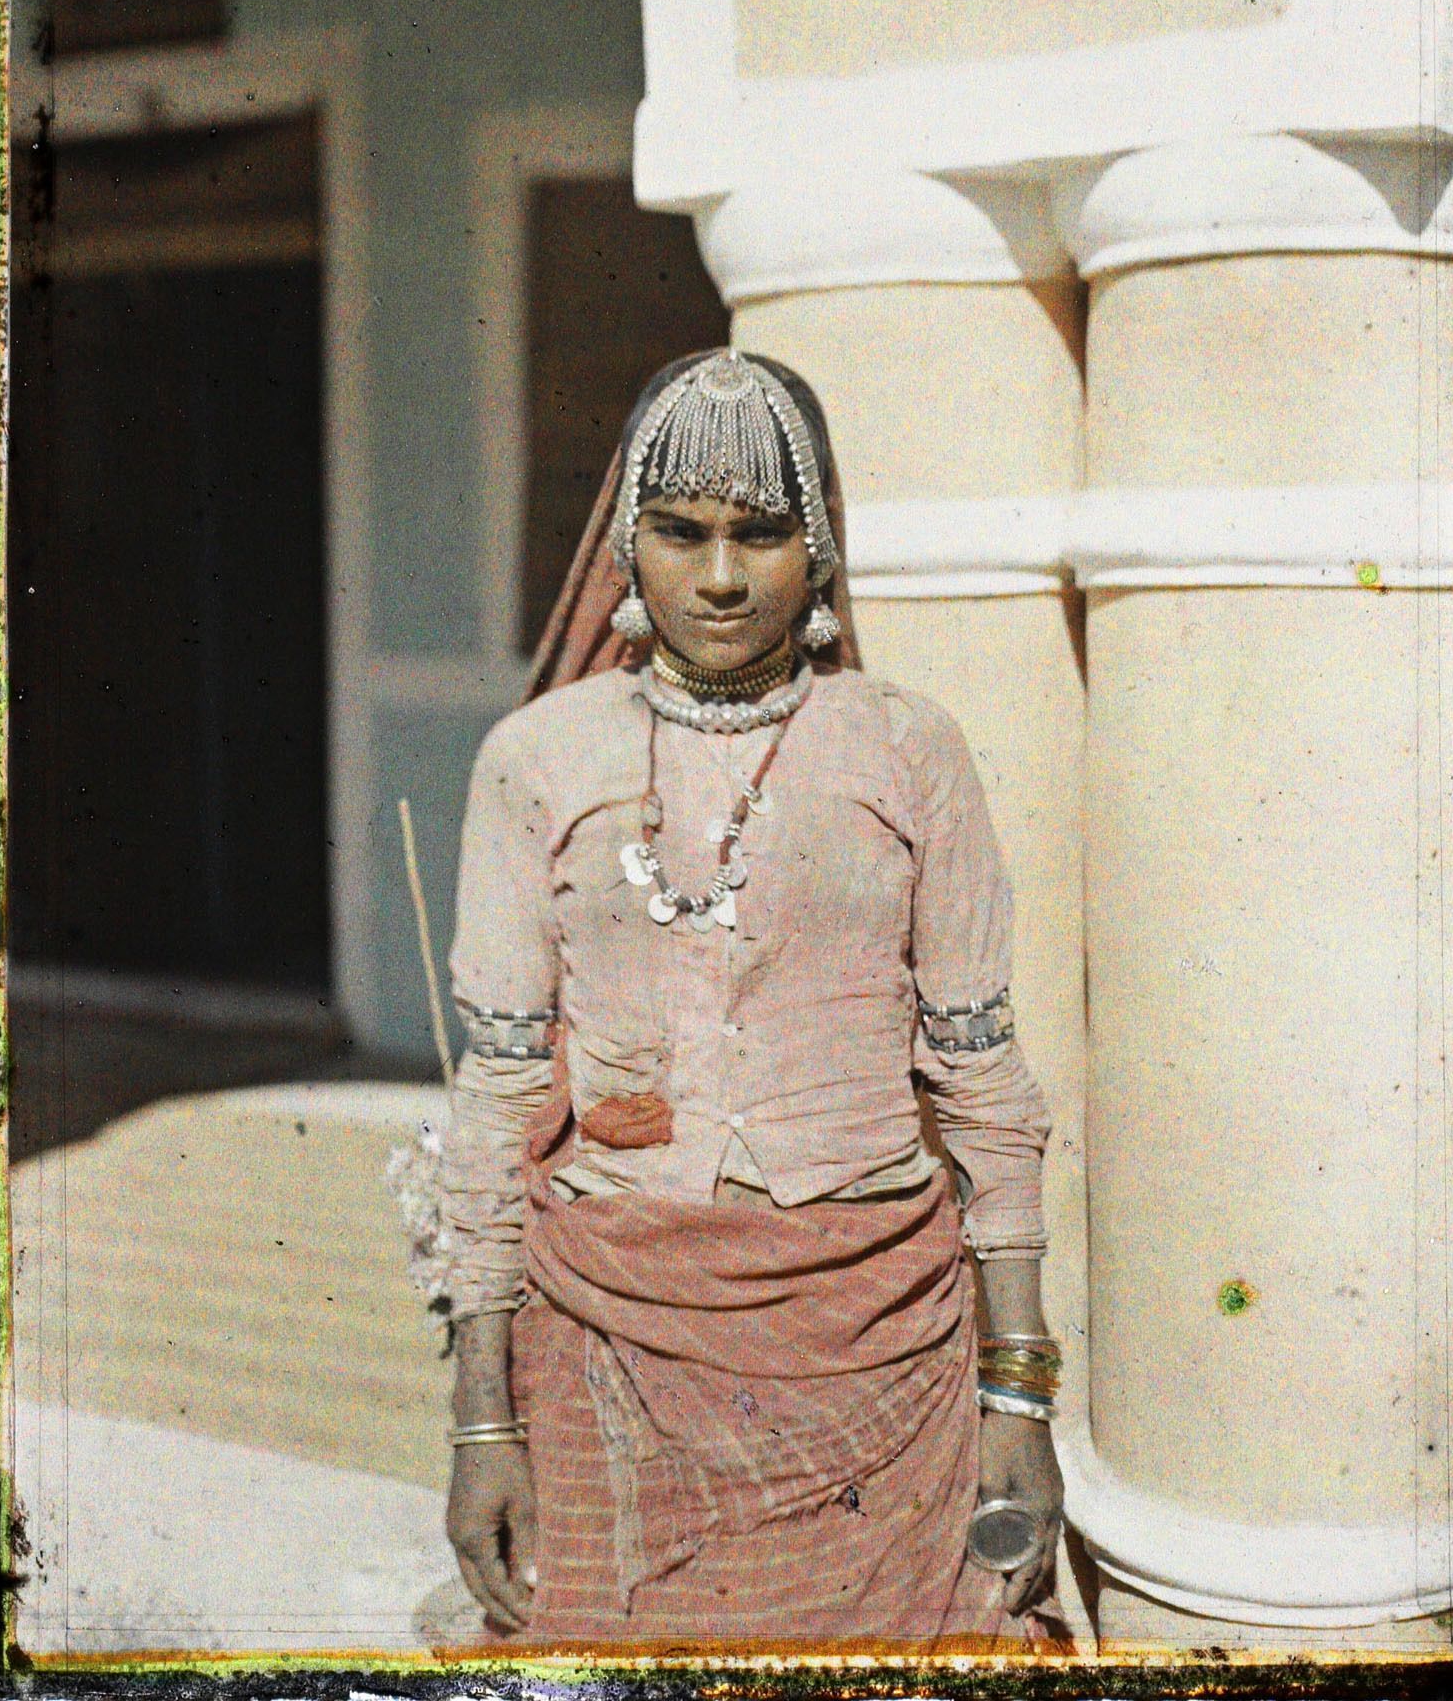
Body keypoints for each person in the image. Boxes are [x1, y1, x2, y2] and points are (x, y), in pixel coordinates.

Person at [438, 349, 1066, 1648]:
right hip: (609, 1341)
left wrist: (1019, 1401)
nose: (721, 577)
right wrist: (483, 1425)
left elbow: (987, 1092)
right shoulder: (537, 760)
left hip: (875, 1358)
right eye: (682, 532)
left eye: (761, 533)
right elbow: (494, 1100)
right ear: (629, 546)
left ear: (819, 549)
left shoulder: (907, 747)